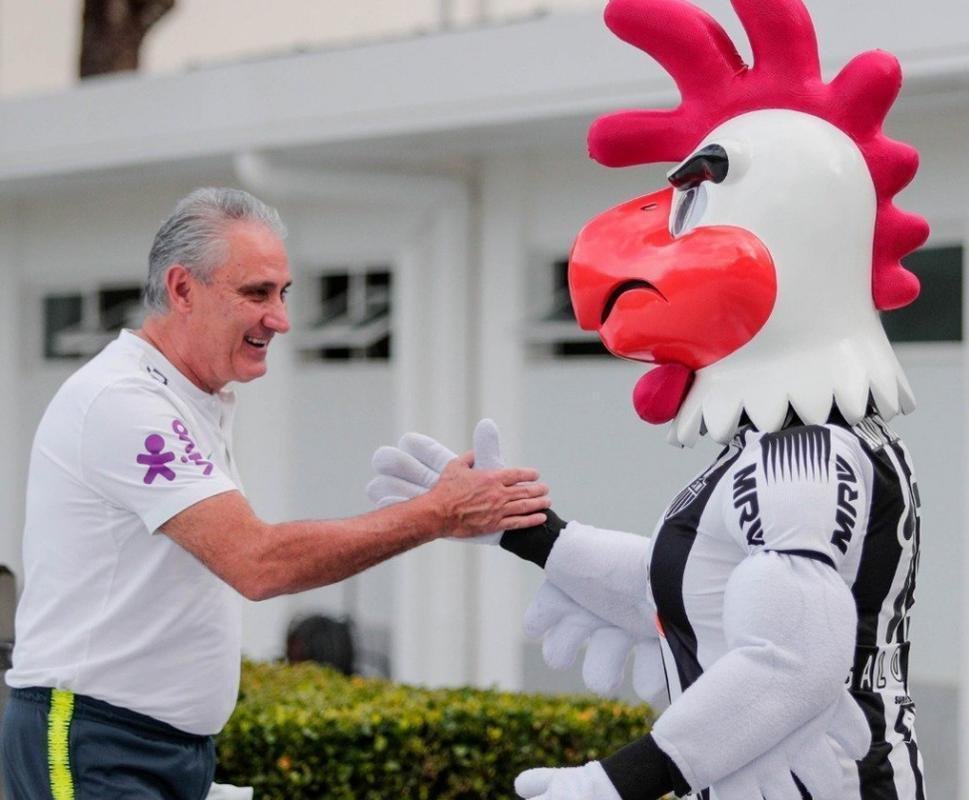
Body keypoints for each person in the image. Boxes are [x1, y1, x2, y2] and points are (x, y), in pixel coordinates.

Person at [369, 0, 928, 798]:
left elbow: (791, 663)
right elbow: (696, 584)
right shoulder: (784, 450)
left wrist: (615, 782)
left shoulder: (805, 458)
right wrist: (526, 532)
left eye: (695, 197)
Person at [0, 187, 551, 800]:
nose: (281, 318)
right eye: (257, 293)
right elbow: (257, 562)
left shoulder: (185, 397)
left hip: (158, 750)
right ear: (182, 290)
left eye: (283, 293)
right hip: (96, 744)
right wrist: (438, 513)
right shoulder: (124, 402)